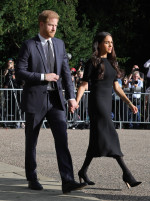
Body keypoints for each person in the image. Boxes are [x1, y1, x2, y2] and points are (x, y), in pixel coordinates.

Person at [15, 10, 86, 194]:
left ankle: (68, 181)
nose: (54, 28)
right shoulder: (29, 45)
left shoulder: (60, 44)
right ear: (41, 24)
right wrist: (42, 77)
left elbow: (66, 74)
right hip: (35, 100)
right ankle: (32, 177)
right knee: (32, 141)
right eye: (50, 25)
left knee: (62, 140)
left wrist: (71, 97)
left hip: (56, 101)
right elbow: (20, 71)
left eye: (56, 25)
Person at [75, 32, 141, 188]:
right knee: (111, 134)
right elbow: (84, 84)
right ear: (98, 44)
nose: (110, 45)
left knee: (97, 139)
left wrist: (129, 103)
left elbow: (117, 87)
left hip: (106, 102)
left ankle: (83, 171)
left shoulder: (112, 62)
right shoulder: (93, 62)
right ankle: (127, 173)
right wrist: (76, 102)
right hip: (97, 103)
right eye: (106, 42)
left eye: (111, 42)